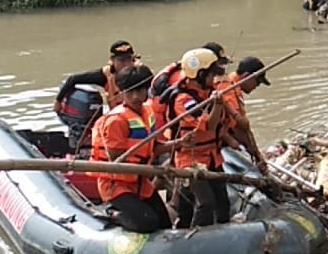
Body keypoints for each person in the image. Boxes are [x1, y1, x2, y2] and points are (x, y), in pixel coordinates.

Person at [88, 64, 173, 234]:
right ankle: (113, 214)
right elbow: (115, 157)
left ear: (146, 91)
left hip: (140, 183)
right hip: (117, 185)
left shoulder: (148, 112)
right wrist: (148, 168)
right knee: (147, 223)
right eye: (129, 92)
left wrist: (179, 143)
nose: (135, 96)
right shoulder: (117, 120)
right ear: (122, 92)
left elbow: (154, 147)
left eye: (140, 91)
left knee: (165, 223)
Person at [167, 47, 236, 228]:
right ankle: (195, 241)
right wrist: (218, 105)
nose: (214, 79)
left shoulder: (208, 93)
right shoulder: (183, 99)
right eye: (211, 75)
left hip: (213, 157)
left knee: (222, 204)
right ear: (200, 74)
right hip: (191, 160)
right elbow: (209, 125)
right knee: (206, 203)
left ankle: (223, 235)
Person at [56, 40, 142, 114]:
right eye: (122, 60)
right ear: (112, 59)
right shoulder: (105, 75)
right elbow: (73, 79)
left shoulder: (140, 73)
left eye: (129, 59)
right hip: (118, 118)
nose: (126, 64)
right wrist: (58, 101)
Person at [213, 55, 270, 166]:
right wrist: (255, 153)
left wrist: (256, 153)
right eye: (257, 82)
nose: (256, 86)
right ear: (247, 76)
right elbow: (238, 128)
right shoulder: (227, 89)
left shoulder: (234, 86)